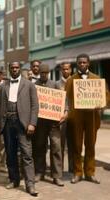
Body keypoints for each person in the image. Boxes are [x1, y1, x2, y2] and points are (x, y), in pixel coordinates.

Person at [0, 61, 39, 197]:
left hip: (23, 123)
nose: (14, 70)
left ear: (20, 69)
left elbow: (35, 106)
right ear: (9, 69)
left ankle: (30, 184)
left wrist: (32, 123)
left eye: (16, 67)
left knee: (26, 153)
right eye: (12, 68)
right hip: (7, 122)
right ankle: (14, 179)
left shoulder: (29, 85)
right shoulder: (3, 86)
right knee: (10, 152)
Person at [65, 54, 107, 184]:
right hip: (76, 117)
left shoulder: (96, 79)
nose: (82, 65)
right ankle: (78, 173)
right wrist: (67, 112)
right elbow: (66, 98)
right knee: (77, 146)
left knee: (90, 144)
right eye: (79, 63)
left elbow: (105, 96)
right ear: (76, 64)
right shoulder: (71, 80)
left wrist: (101, 104)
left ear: (88, 63)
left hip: (92, 117)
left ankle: (90, 172)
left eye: (84, 62)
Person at [33, 64, 66, 187]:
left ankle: (57, 176)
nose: (44, 75)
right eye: (42, 73)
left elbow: (63, 100)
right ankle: (39, 172)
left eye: (46, 73)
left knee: (56, 147)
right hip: (40, 122)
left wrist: (65, 112)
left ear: (49, 73)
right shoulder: (34, 85)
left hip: (53, 123)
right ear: (39, 73)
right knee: (39, 147)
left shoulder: (55, 85)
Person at [56, 62, 73, 173]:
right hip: (61, 117)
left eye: (67, 69)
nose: (65, 71)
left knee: (72, 143)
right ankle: (59, 168)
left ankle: (72, 168)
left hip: (74, 117)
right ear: (61, 70)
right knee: (60, 143)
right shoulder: (57, 84)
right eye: (64, 69)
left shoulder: (75, 82)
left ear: (70, 70)